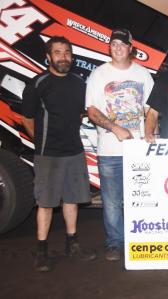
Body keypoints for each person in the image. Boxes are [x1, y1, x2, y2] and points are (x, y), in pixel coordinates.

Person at [22, 36, 96, 272]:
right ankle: (42, 250)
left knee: (72, 199)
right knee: (45, 203)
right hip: (48, 154)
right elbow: (27, 117)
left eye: (67, 53)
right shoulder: (38, 83)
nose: (63, 57)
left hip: (74, 151)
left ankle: (71, 244)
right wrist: (41, 143)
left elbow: (83, 114)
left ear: (71, 57)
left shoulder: (79, 84)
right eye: (58, 52)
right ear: (48, 56)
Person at [86, 28, 154, 261]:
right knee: (112, 201)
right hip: (110, 150)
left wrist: (149, 131)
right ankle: (115, 242)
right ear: (109, 47)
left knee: (143, 197)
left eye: (122, 44)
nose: (117, 48)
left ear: (130, 48)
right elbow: (92, 110)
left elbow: (151, 109)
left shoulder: (143, 74)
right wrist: (115, 128)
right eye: (113, 44)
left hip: (138, 150)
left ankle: (143, 239)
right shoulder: (98, 74)